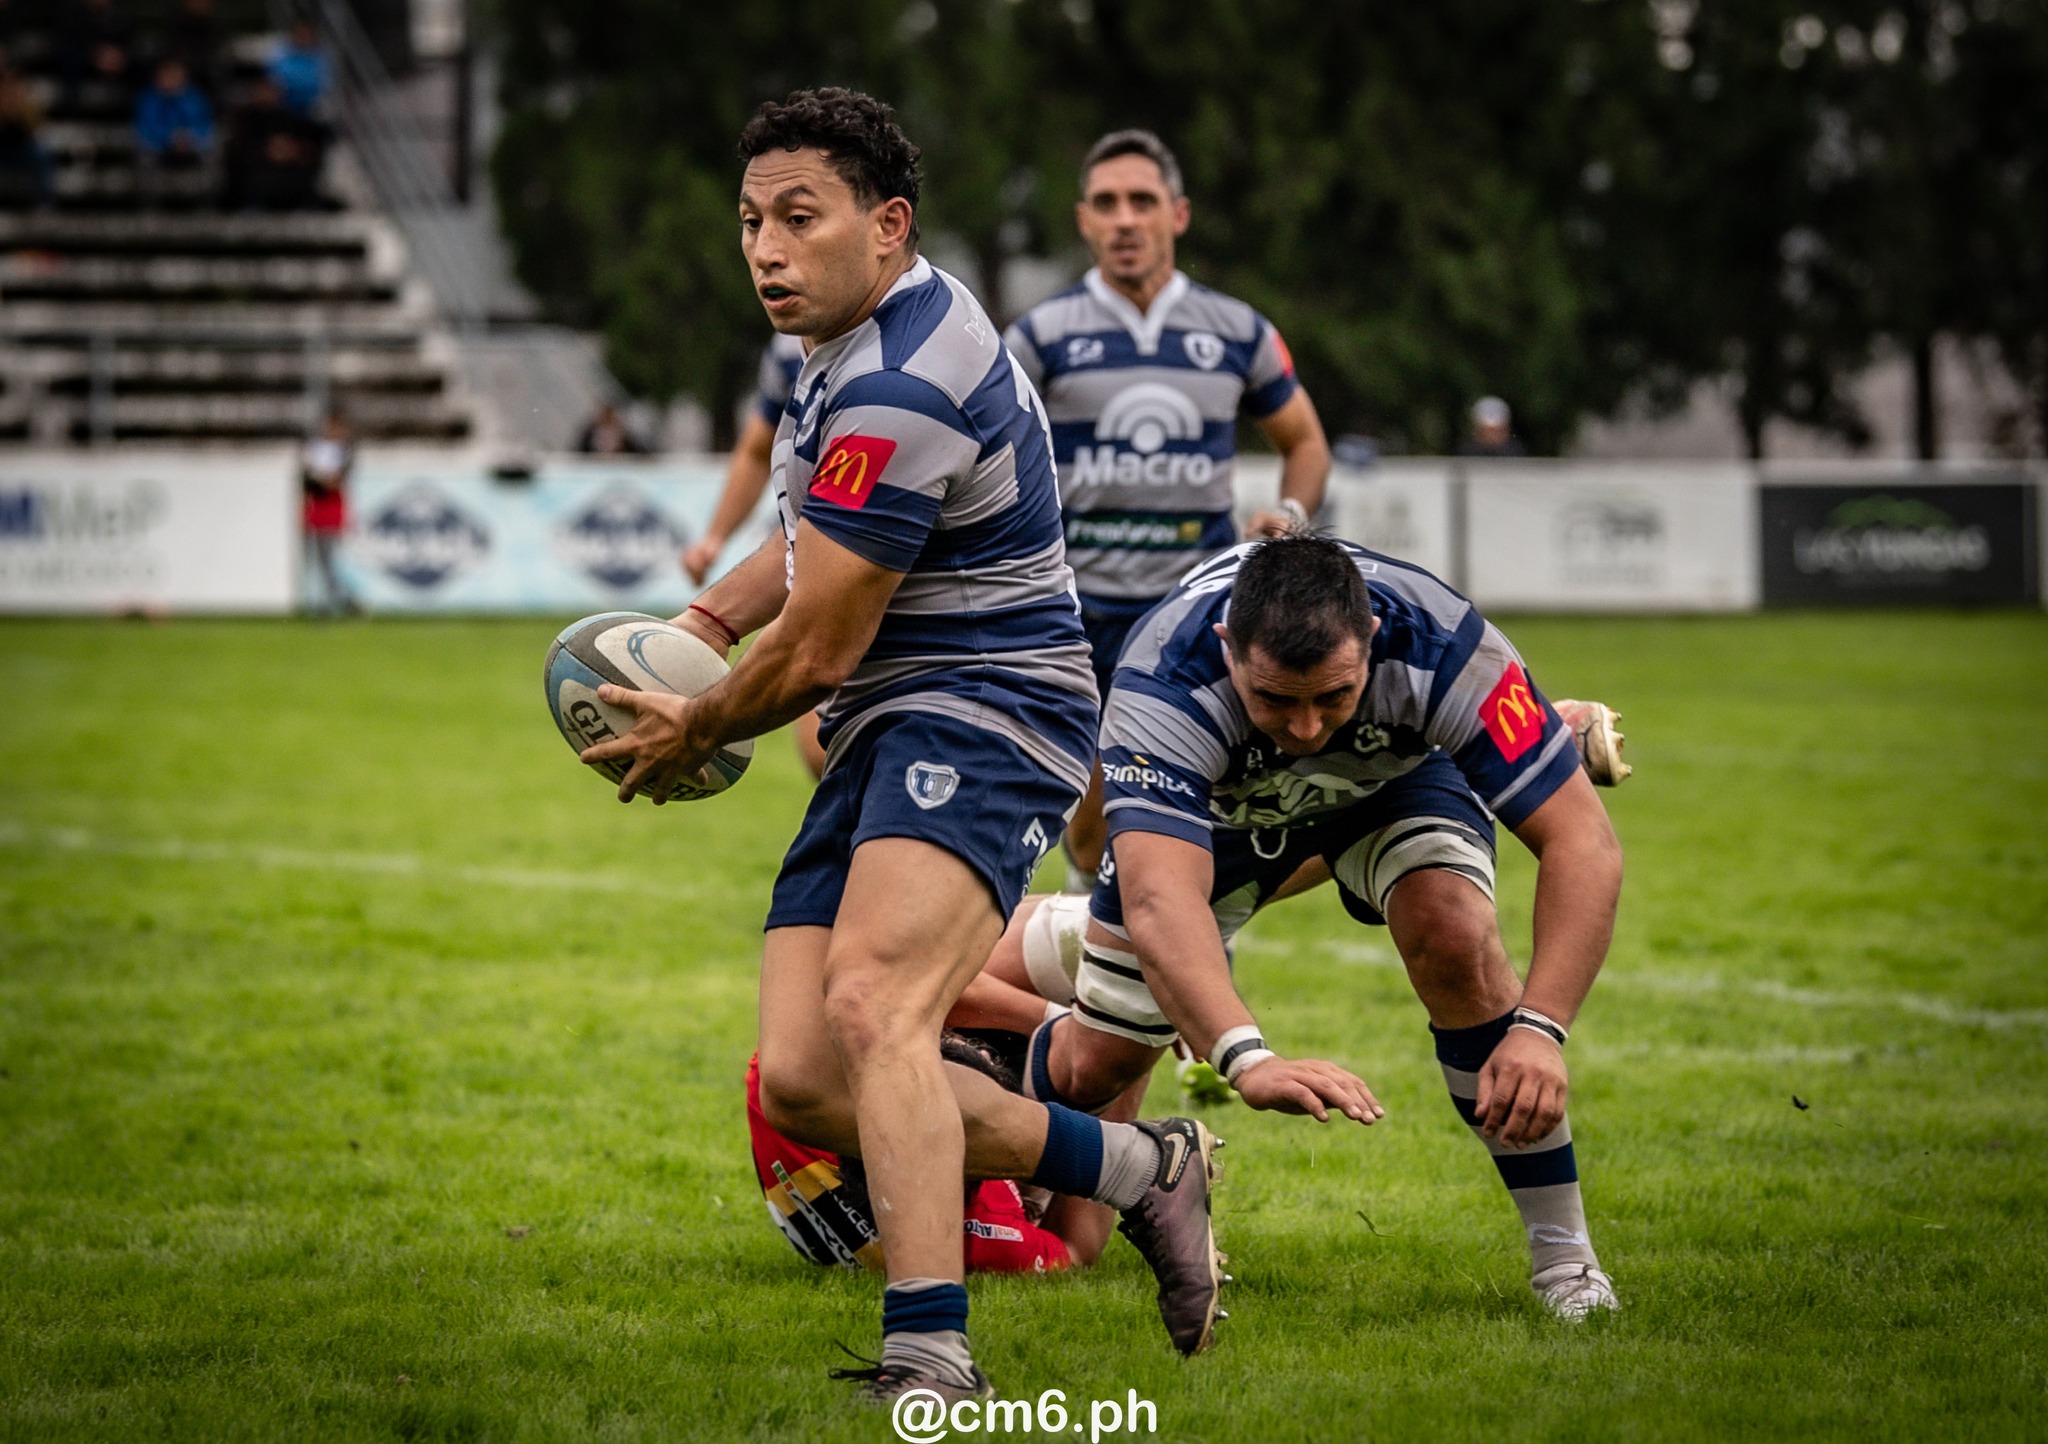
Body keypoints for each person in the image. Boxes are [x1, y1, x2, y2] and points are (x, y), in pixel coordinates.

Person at [577, 88, 1375, 1403]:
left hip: (992, 705)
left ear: (887, 227)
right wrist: (700, 623)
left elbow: (823, 644)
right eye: (749, 224)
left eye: (797, 219)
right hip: (897, 709)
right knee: (807, 1084)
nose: (766, 250)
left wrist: (701, 720)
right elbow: (809, 547)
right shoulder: (840, 349)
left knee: (879, 1004)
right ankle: (1142, 1169)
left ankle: (930, 1355)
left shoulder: (904, 378)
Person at [1027, 533, 1626, 1321]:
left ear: (1373, 638)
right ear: (1226, 649)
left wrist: (1541, 1029)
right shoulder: (1162, 682)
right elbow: (1161, 902)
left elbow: (1585, 843)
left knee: (1452, 930)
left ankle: (1565, 1260)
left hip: (1394, 784)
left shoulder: (1446, 645)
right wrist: (1245, 1058)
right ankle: (999, 1134)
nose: (1307, 727)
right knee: (1094, 1067)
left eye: (1333, 696)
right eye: (1276, 698)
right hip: (1222, 815)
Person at [1002, 130, 1331, 893]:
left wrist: (1287, 512)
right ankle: (1095, 918)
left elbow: (1306, 441)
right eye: (1108, 204)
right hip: (1074, 612)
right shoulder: (1042, 336)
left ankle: (1178, 948)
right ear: (1083, 220)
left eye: (1142, 202)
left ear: (1177, 215)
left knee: (1189, 798)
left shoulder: (1236, 332)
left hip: (1195, 610)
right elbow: (985, 443)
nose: (1126, 220)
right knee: (1087, 808)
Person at [680, 333, 820, 776]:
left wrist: (699, 725)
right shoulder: (787, 352)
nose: (768, 260)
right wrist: (714, 538)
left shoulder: (921, 341)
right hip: (828, 542)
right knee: (825, 757)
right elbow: (758, 450)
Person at [220, 75, 327, 211]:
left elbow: (313, 143)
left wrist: (293, 150)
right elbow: (236, 152)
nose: (267, 96)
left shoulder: (290, 120)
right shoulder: (243, 120)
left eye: (271, 91)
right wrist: (266, 150)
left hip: (289, 178)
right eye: (262, 91)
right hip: (254, 179)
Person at [300, 410, 357, 616]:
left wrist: (323, 479)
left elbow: (336, 479)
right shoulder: (315, 447)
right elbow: (309, 475)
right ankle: (337, 600)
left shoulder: (343, 450)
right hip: (317, 506)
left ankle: (338, 600)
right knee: (319, 559)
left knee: (328, 558)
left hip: (330, 507)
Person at [134, 56, 213, 203]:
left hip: (191, 146)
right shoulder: (148, 99)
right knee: (144, 155)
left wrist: (189, 138)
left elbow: (204, 124)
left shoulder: (194, 98)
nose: (170, 81)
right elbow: (145, 127)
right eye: (166, 77)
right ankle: (149, 205)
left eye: (174, 76)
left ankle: (207, 204)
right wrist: (170, 138)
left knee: (212, 152)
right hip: (159, 147)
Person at [0, 62, 52, 209]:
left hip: (23, 149)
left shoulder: (28, 102)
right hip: (2, 150)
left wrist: (19, 111)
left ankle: (43, 204)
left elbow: (37, 127)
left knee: (42, 155)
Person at [267, 18, 328, 116]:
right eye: (300, 34)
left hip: (314, 100)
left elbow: (327, 81)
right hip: (286, 98)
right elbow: (272, 76)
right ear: (293, 35)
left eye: (306, 34)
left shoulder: (322, 55)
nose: (303, 37)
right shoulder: (281, 52)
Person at [1460, 395, 1527, 457]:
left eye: (1498, 431)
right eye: (1487, 431)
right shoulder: (1466, 453)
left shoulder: (1516, 453)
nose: (1493, 436)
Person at [573, 402, 649, 456]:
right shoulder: (590, 434)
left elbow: (639, 451)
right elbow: (579, 452)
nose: (608, 419)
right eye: (606, 417)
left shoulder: (623, 434)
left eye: (610, 417)